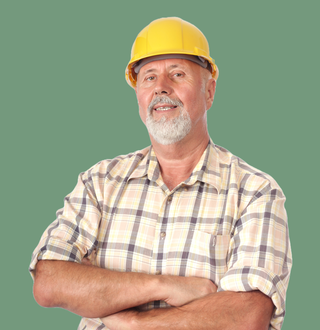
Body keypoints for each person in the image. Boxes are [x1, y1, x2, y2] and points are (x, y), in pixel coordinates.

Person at [30, 17, 292, 330]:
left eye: (177, 74)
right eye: (149, 77)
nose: (161, 88)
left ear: (209, 92)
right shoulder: (99, 182)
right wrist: (163, 286)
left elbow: (247, 315)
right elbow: (49, 282)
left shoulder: (255, 192)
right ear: (139, 95)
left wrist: (129, 321)